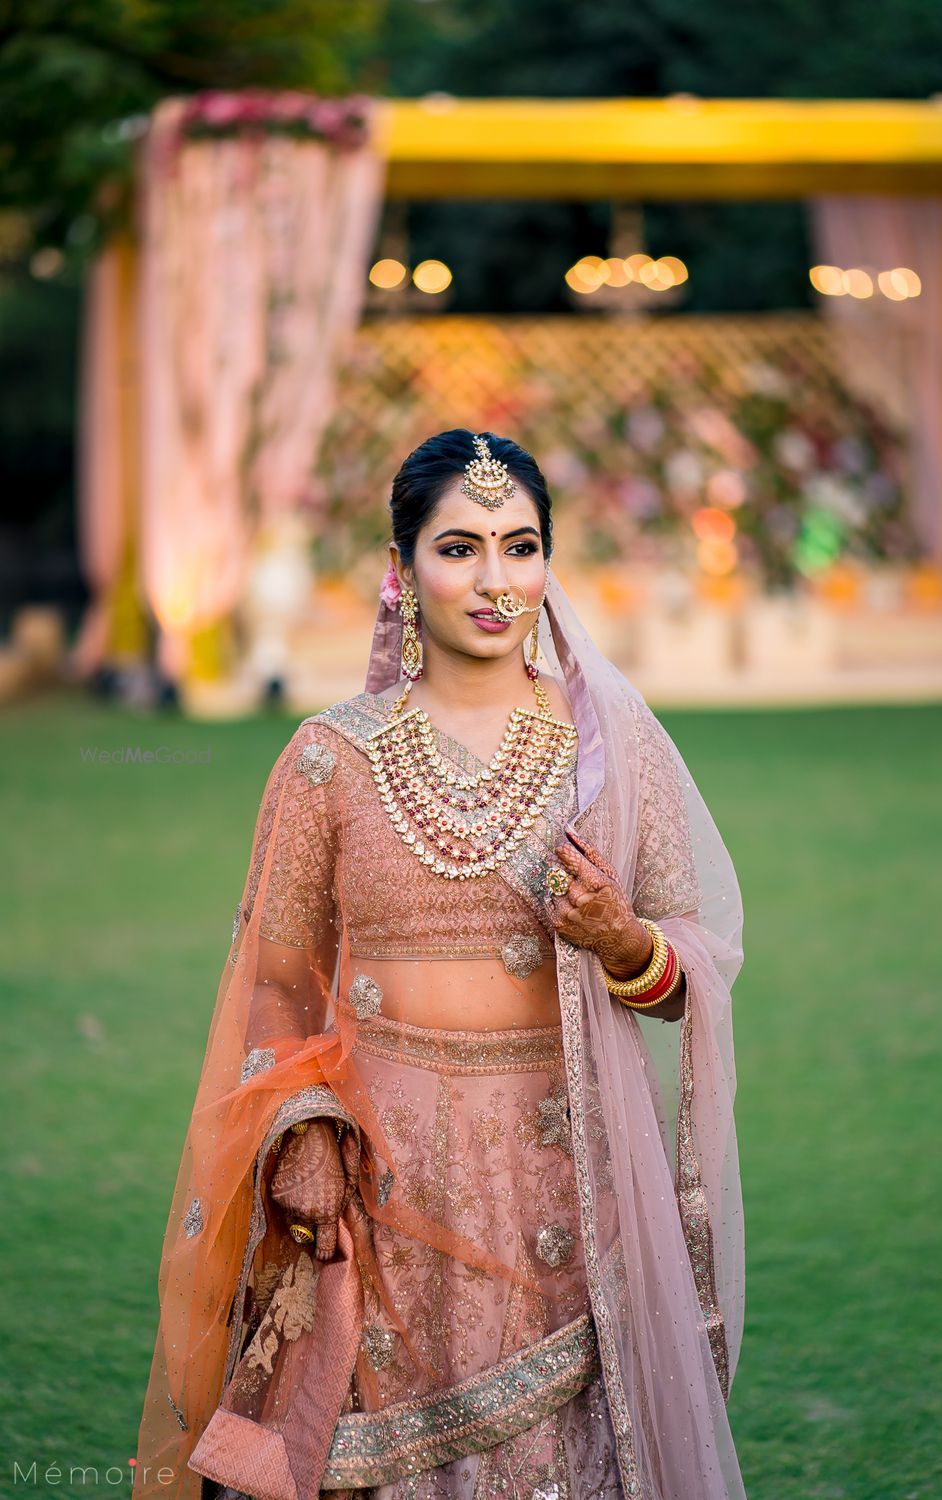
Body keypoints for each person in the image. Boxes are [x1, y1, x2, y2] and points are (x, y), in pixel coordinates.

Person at [134, 429, 747, 1500]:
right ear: (403, 570)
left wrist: (621, 942)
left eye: (521, 547)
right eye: (459, 548)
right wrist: (299, 1139)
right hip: (380, 1180)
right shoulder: (329, 757)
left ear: (550, 562)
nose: (495, 580)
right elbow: (278, 983)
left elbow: (692, 966)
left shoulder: (610, 747)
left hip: (567, 1176)